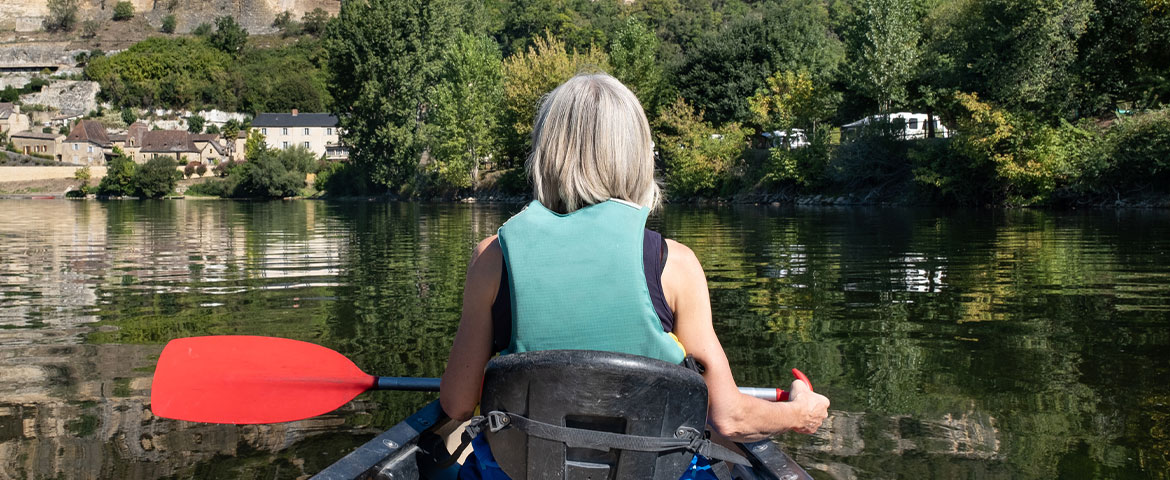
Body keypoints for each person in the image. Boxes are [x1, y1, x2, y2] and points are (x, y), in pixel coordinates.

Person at [440, 73, 829, 473]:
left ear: (546, 152)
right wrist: (800, 413)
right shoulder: (673, 265)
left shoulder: (492, 257)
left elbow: (455, 404)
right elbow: (728, 418)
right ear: (635, 155)